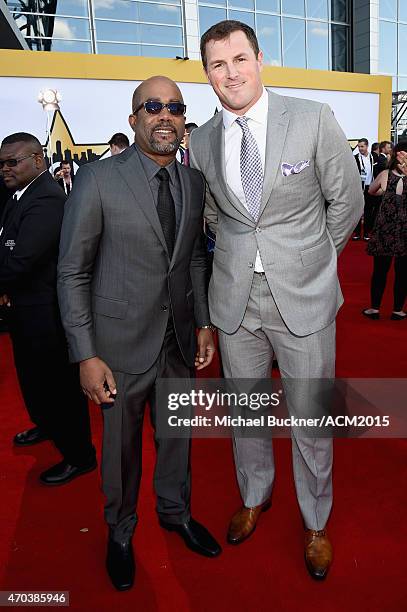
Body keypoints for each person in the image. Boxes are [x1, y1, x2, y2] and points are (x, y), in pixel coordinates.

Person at [190, 20, 363, 580]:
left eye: (239, 59)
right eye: (218, 64)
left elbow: (347, 201)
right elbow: (215, 216)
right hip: (235, 300)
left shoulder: (312, 119)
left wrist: (311, 260)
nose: (231, 72)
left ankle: (315, 521)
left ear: (260, 59)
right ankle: (254, 495)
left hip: (305, 299)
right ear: (208, 74)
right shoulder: (202, 140)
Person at [57, 76, 222, 591]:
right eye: (153, 106)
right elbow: (72, 271)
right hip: (118, 349)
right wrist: (85, 353)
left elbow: (194, 257)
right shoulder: (99, 179)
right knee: (121, 452)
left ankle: (175, 514)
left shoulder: (193, 183)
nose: (165, 116)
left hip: (176, 341)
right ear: (134, 119)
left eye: (175, 107)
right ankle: (121, 532)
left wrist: (204, 322)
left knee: (177, 440)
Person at [0, 132, 96, 484]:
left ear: (38, 160)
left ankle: (80, 455)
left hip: (47, 313)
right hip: (24, 308)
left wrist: (5, 282)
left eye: (13, 162)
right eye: (2, 163)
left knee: (59, 387)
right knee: (33, 379)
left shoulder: (47, 200)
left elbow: (20, 258)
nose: (5, 169)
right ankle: (46, 426)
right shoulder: (18, 195)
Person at [362, 142, 407, 320]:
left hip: (385, 229)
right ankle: (397, 310)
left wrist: (385, 193)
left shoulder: (385, 174)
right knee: (402, 272)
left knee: (380, 271)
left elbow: (372, 191)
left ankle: (375, 308)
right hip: (403, 230)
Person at [352, 138, 376, 240]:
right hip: (358, 188)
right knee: (357, 211)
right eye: (359, 146)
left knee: (368, 211)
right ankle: (356, 233)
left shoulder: (374, 157)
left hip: (370, 187)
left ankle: (366, 233)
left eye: (362, 146)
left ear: (367, 146)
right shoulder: (355, 158)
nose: (360, 148)